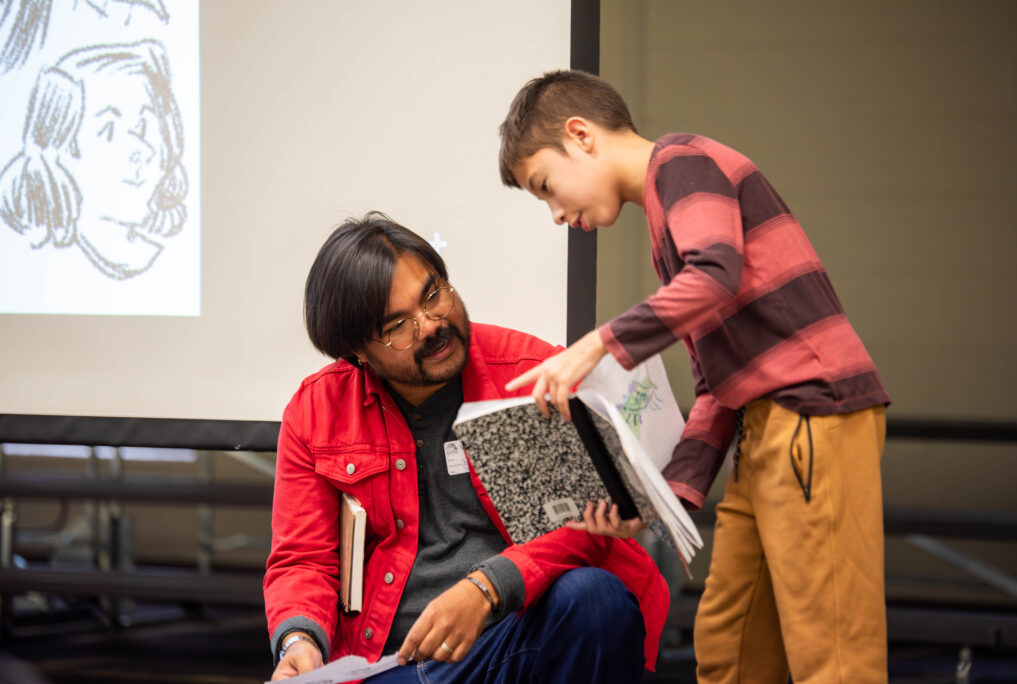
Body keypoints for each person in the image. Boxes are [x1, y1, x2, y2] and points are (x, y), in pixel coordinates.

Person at [498, 70, 891, 683]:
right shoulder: (667, 222)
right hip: (764, 435)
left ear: (581, 136)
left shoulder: (681, 161)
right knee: (727, 644)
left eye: (545, 185)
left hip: (810, 413)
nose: (553, 213)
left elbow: (715, 274)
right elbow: (715, 389)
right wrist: (656, 505)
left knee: (832, 652)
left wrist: (596, 347)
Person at [263, 212, 669, 683]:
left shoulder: (530, 374)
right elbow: (303, 559)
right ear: (357, 352)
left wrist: (485, 590)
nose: (432, 325)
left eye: (433, 294)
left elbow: (582, 525)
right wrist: (300, 641)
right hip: (390, 662)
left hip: (511, 642)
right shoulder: (317, 409)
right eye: (399, 325)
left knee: (593, 597)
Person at [0, 39, 187, 280]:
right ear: (62, 149)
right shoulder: (33, 270)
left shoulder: (173, 265)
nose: (142, 149)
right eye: (109, 130)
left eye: (144, 126)